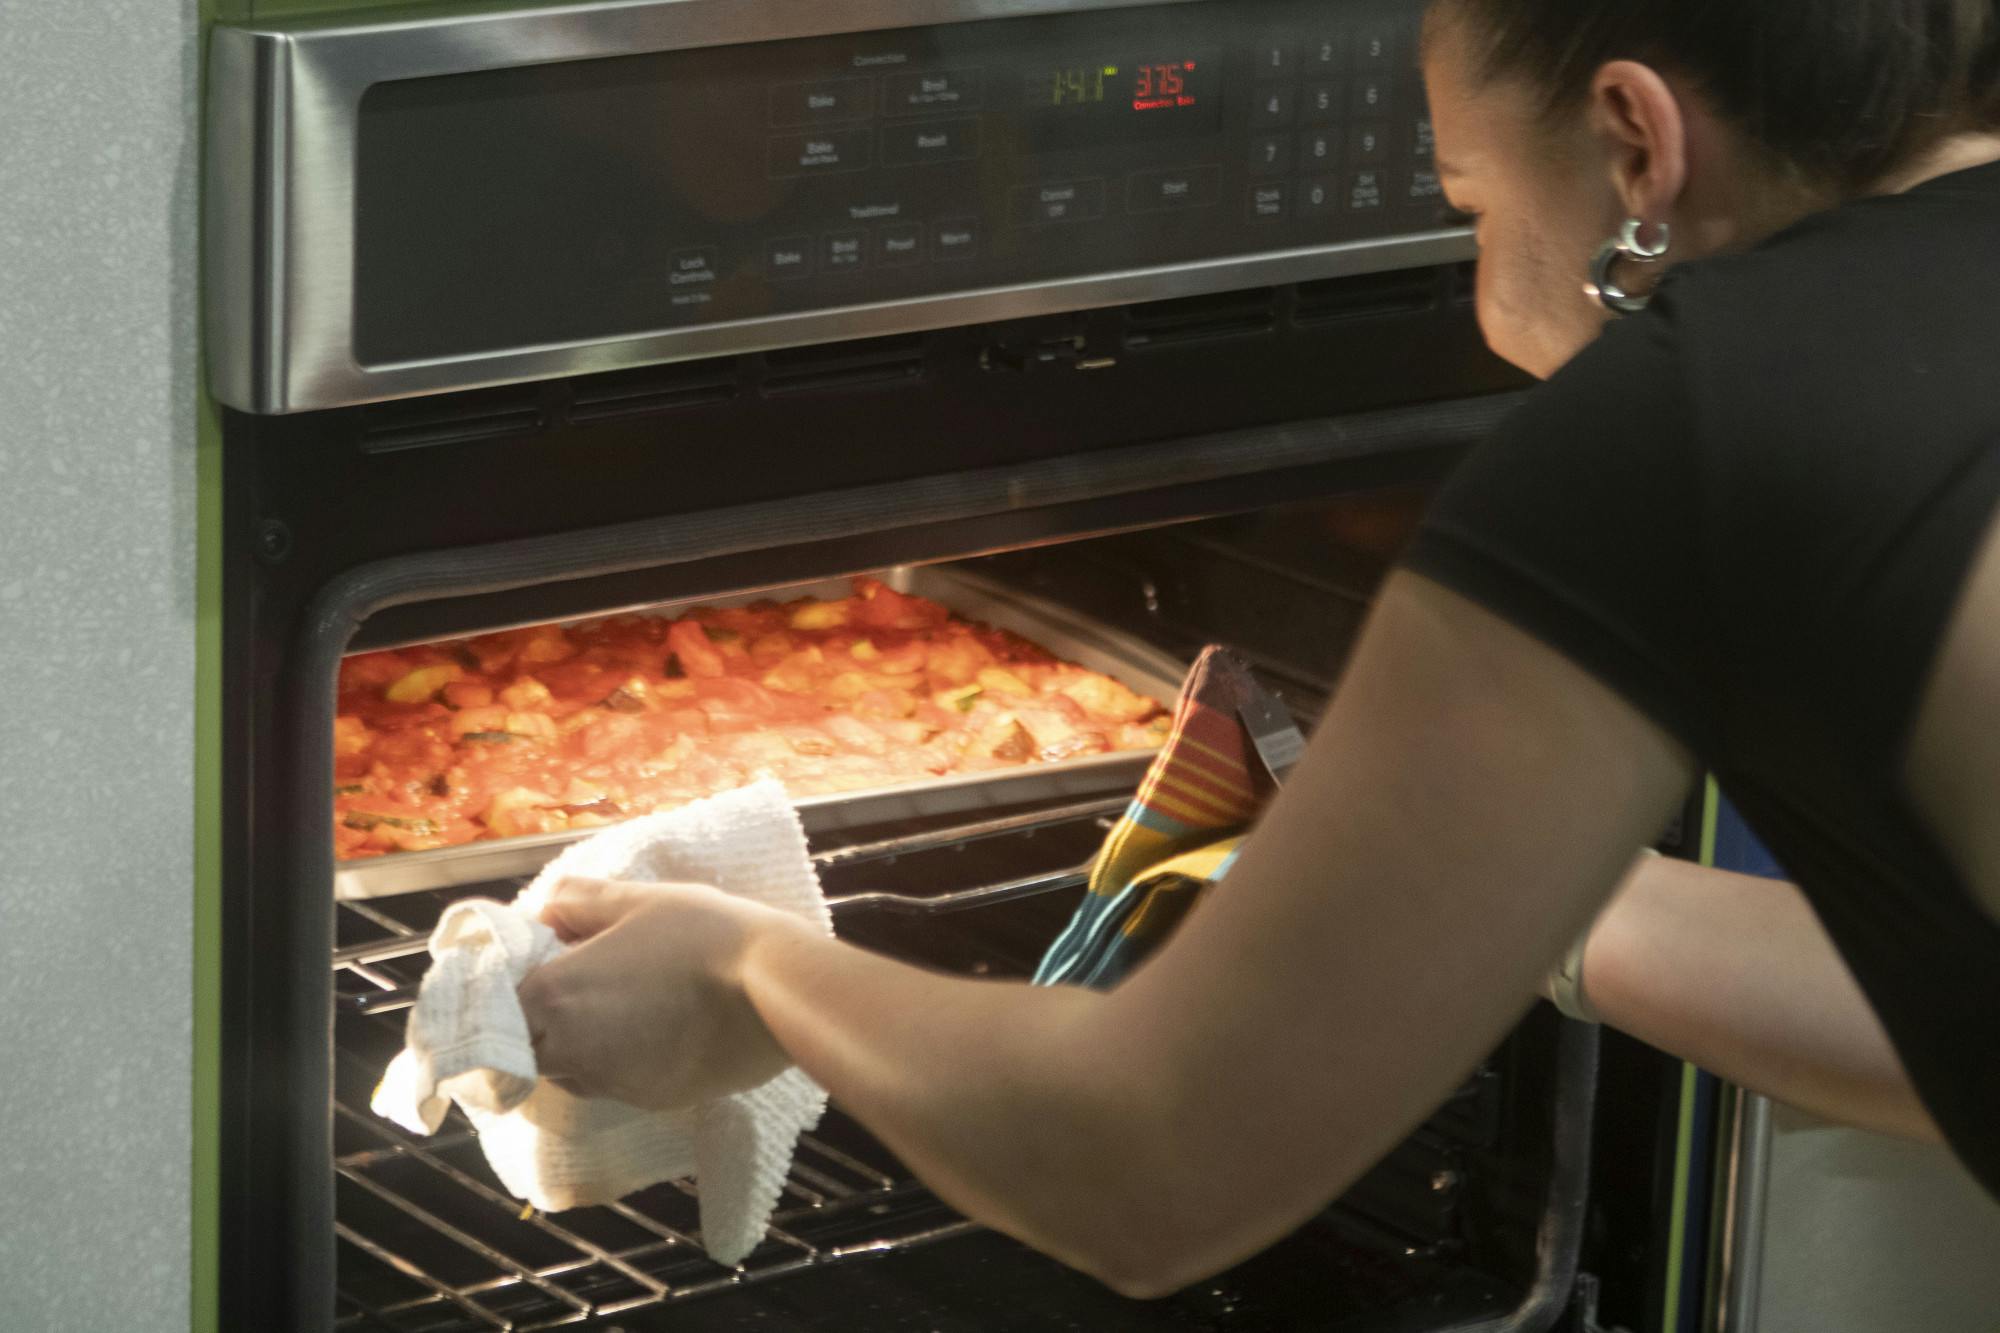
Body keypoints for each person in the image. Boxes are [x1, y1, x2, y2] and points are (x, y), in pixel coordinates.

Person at [519, 0, 2000, 1298]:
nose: (1488, 309)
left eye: (1469, 208)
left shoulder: (1685, 421)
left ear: (1635, 147)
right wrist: (1497, 896)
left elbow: (1146, 1165)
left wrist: (749, 973)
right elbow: (1934, 994)